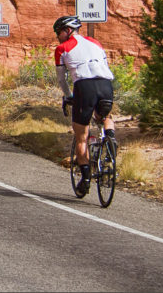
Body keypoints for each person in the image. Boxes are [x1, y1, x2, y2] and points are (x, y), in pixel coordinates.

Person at [53, 15, 115, 198]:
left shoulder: (61, 49)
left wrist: (68, 97)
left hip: (84, 86)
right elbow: (104, 64)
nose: (58, 36)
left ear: (68, 31)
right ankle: (111, 140)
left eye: (59, 32)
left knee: (81, 135)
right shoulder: (96, 42)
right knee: (105, 117)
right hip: (106, 84)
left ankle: (86, 179)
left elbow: (61, 79)